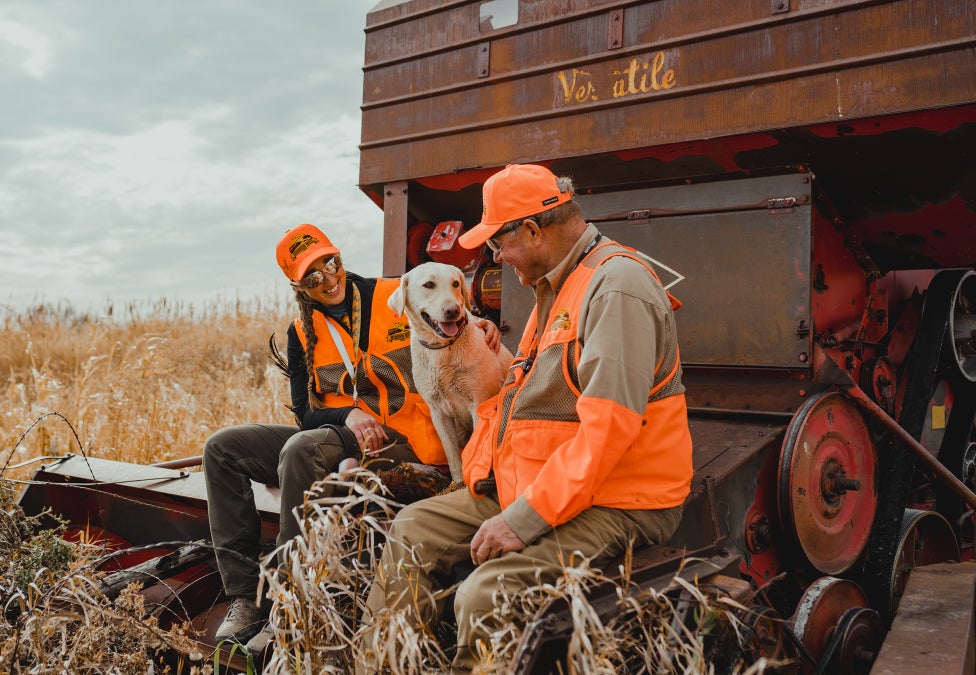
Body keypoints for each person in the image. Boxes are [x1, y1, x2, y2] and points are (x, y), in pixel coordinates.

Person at [363, 164, 695, 671]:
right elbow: (526, 403)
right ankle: (382, 664)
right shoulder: (554, 287)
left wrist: (519, 522)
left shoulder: (615, 289)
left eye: (498, 245)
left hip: (621, 497)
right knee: (413, 529)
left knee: (481, 596)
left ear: (534, 231)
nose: (494, 258)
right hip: (549, 482)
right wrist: (473, 479)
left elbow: (608, 435)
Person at [205, 223, 499, 645]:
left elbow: (450, 311)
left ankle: (290, 600)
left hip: (409, 437)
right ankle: (245, 596)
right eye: (312, 275)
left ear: (339, 256)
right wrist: (348, 416)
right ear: (299, 286)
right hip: (346, 434)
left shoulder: (393, 294)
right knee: (222, 448)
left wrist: (482, 325)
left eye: (331, 262)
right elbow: (306, 411)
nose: (327, 277)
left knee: (301, 448)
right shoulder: (300, 332)